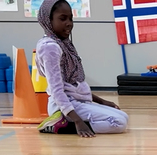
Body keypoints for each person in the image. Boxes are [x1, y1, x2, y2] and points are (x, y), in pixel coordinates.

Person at [35, 0, 129, 136]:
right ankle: (61, 126)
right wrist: (78, 122)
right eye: (62, 19)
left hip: (76, 101)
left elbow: (74, 86)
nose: (69, 23)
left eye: (70, 19)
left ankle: (72, 122)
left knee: (123, 116)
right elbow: (56, 90)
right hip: (63, 107)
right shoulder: (50, 47)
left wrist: (102, 101)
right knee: (118, 123)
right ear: (48, 20)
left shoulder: (63, 43)